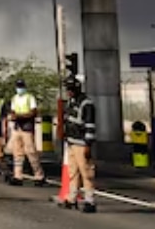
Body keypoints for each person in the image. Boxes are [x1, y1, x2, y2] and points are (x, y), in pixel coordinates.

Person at [61, 80, 97, 212]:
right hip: (72, 142)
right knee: (73, 173)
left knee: (86, 173)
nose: (68, 92)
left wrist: (88, 145)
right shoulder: (71, 102)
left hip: (82, 143)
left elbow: (90, 126)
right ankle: (72, 198)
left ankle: (90, 201)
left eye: (70, 89)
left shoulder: (86, 104)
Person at [6, 78, 46, 185]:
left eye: (21, 86)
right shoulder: (14, 98)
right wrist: (15, 116)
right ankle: (18, 176)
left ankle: (39, 176)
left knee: (31, 152)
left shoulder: (29, 97)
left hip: (27, 128)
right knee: (17, 153)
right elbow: (13, 112)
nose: (20, 89)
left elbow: (33, 112)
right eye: (18, 87)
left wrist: (19, 116)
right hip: (17, 127)